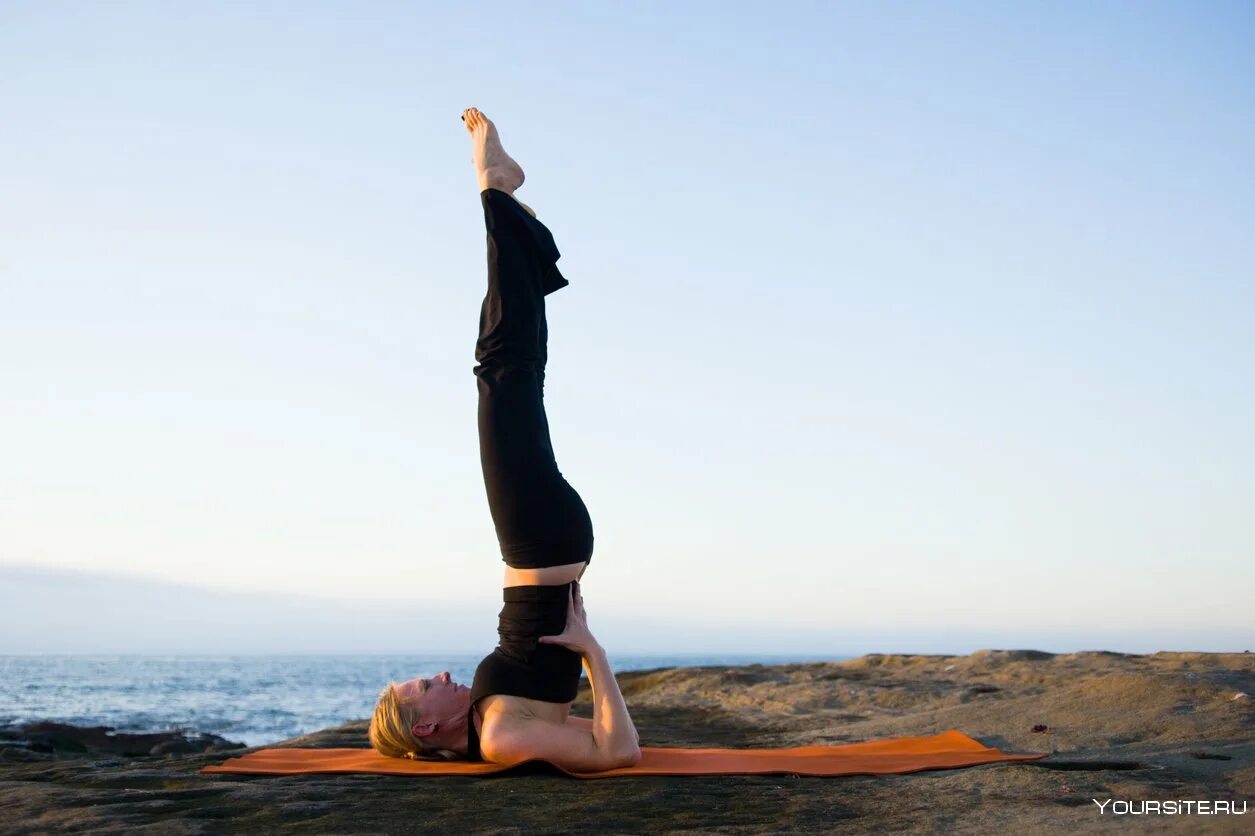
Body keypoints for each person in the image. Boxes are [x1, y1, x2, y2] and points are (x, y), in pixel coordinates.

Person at [368, 107, 641, 773]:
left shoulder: (496, 723)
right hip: (538, 542)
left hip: (544, 546)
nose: (436, 675)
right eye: (425, 686)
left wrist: (573, 658)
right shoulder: (498, 738)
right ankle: (496, 191)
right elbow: (619, 752)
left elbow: (577, 724)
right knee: (502, 375)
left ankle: (507, 205)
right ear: (428, 725)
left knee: (513, 378)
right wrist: (591, 651)